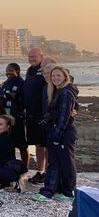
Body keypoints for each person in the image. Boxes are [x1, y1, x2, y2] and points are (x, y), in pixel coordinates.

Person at [32, 66, 79, 202]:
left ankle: (66, 192)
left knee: (65, 163)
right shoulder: (59, 91)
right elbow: (67, 109)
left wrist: (57, 136)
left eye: (58, 75)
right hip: (55, 131)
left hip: (63, 133)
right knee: (56, 163)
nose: (55, 78)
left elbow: (64, 117)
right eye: (53, 76)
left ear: (65, 76)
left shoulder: (65, 92)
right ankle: (56, 190)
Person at [24, 47, 48, 184]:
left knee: (47, 145)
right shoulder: (30, 71)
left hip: (42, 115)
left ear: (41, 56)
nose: (32, 58)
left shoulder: (45, 69)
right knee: (38, 145)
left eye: (34, 56)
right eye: (30, 56)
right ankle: (40, 171)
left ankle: (49, 173)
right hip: (31, 115)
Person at [1, 63, 28, 166]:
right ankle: (11, 165)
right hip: (7, 119)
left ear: (17, 71)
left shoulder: (22, 83)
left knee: (22, 146)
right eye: (7, 71)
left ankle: (25, 168)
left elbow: (24, 100)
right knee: (9, 144)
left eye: (11, 71)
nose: (8, 73)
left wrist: (13, 97)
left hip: (18, 119)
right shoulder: (6, 83)